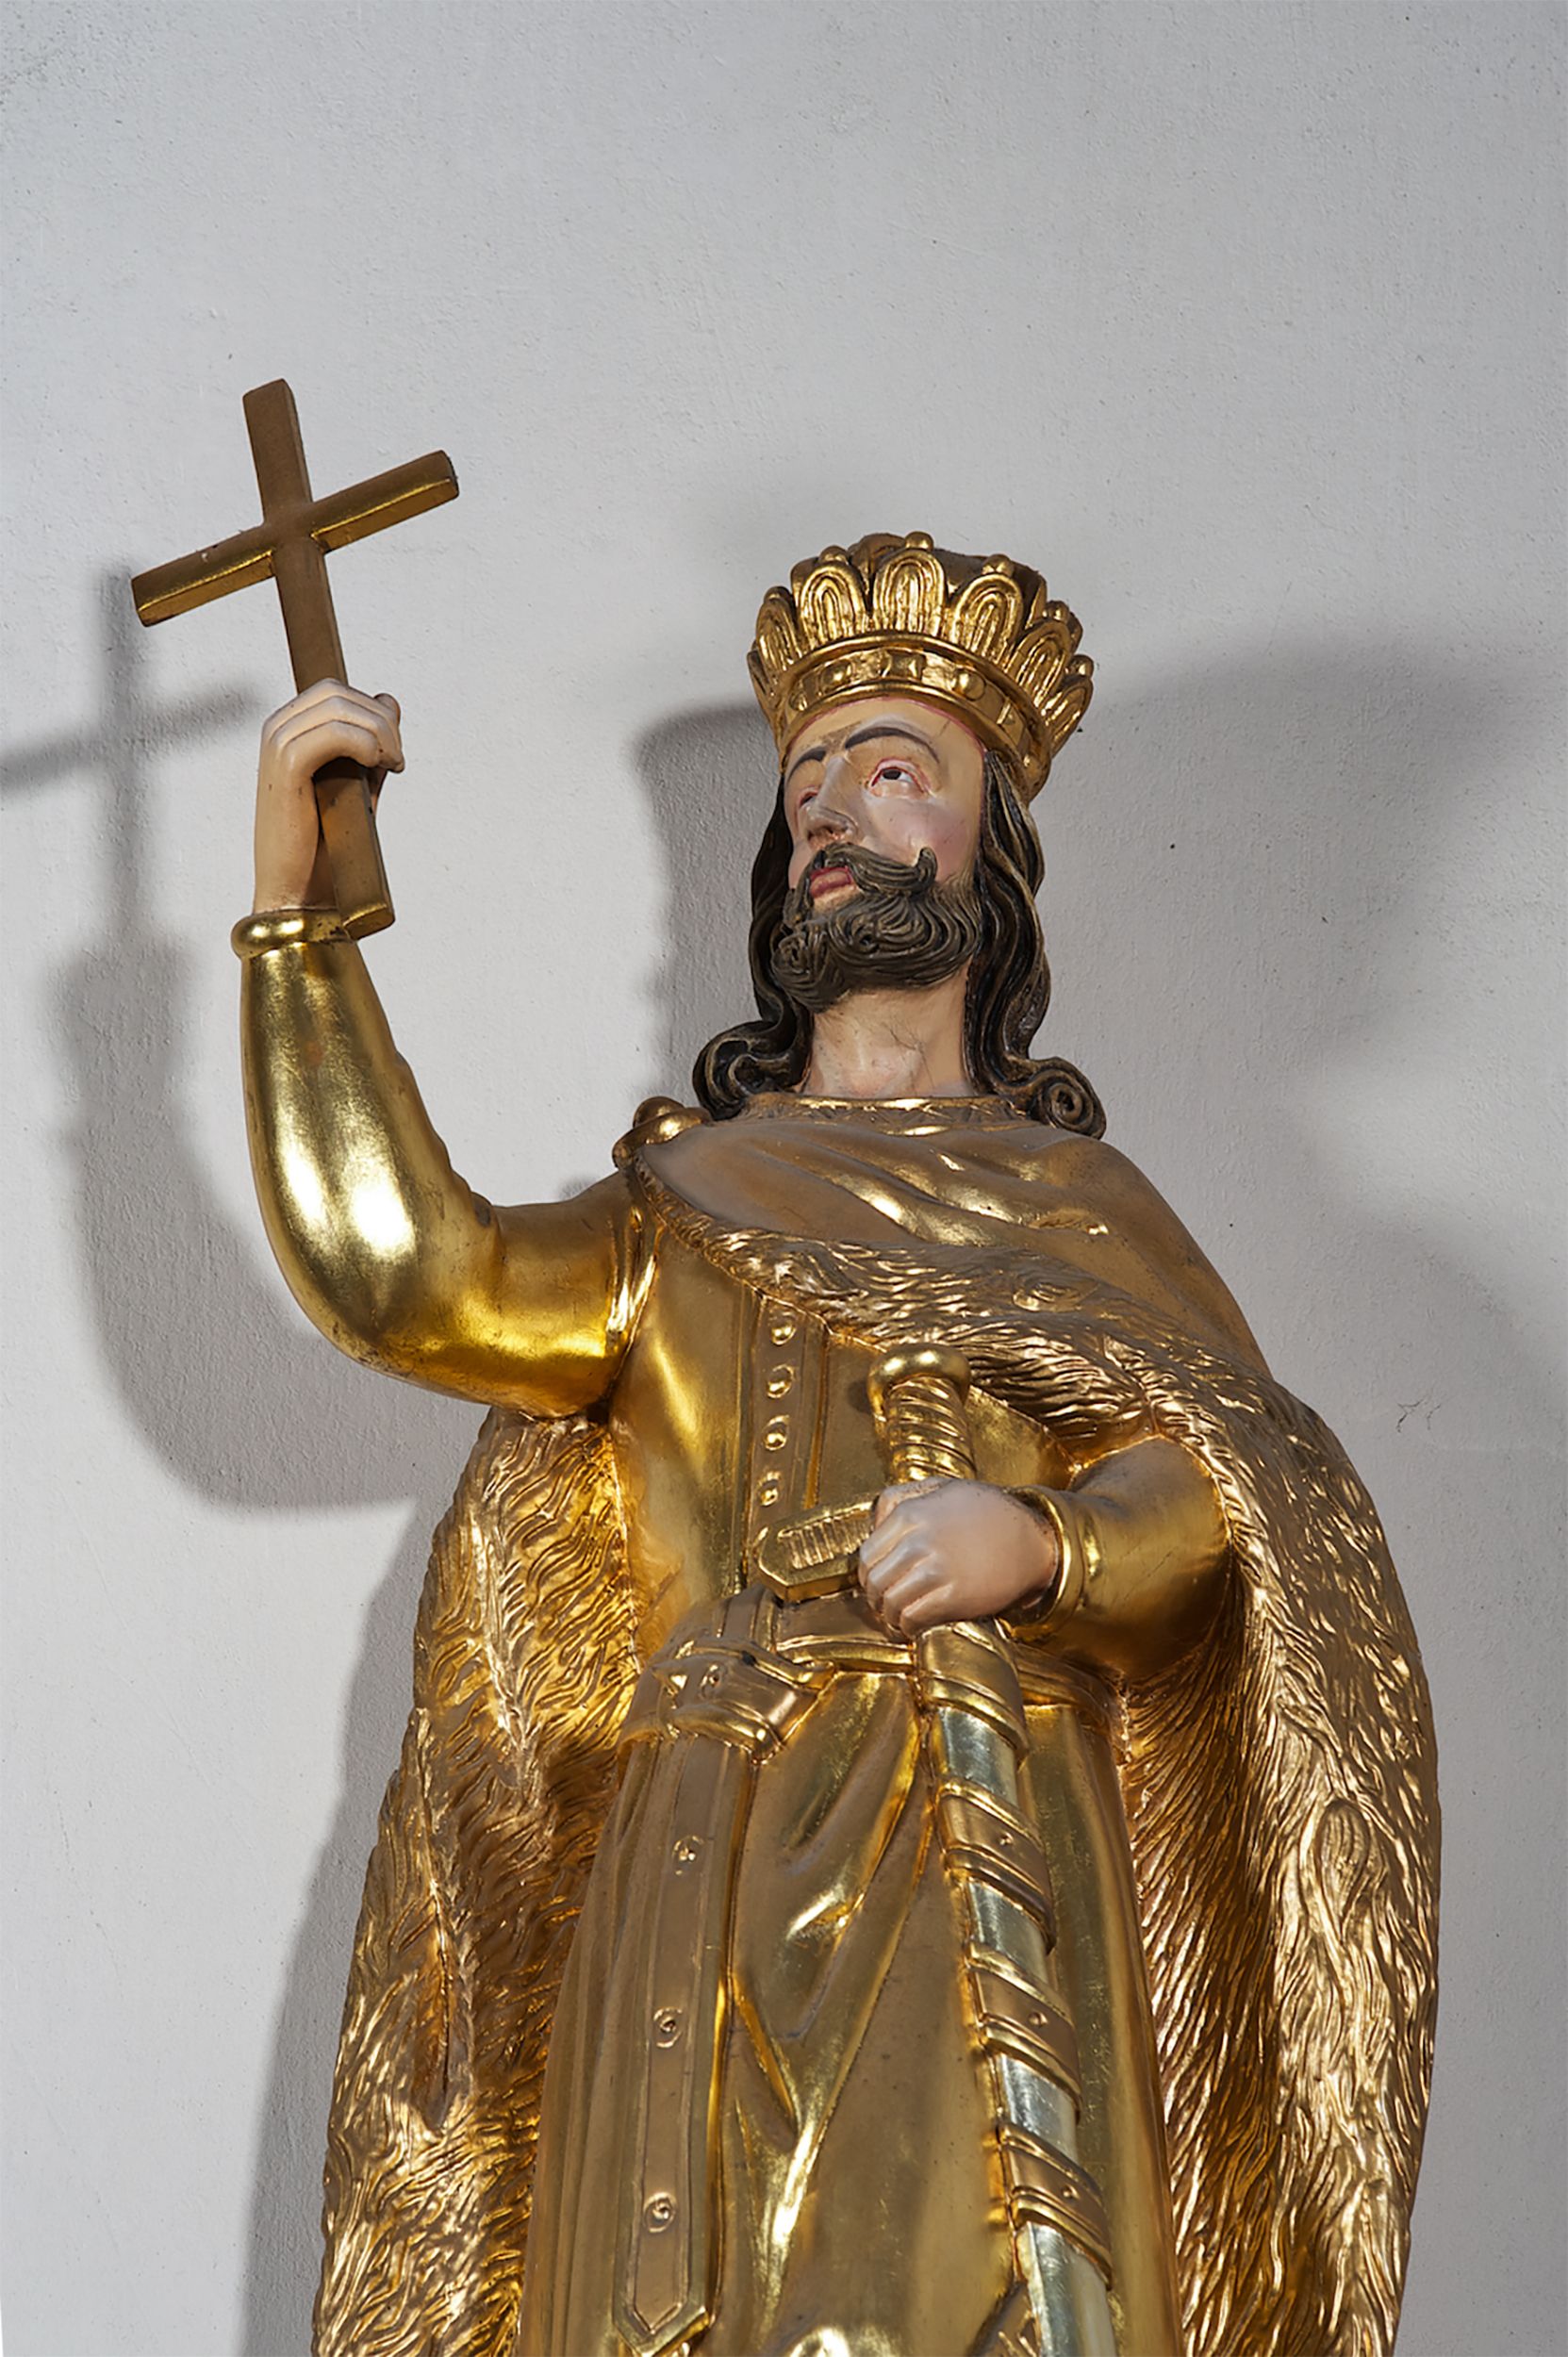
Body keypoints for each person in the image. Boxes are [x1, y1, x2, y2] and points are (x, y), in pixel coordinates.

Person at [236, 536, 1437, 2357]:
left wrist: (1043, 1544)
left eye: (891, 769)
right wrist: (300, 930)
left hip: (978, 1829)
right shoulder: (676, 1211)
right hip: (704, 1844)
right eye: (807, 779)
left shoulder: (1075, 1204)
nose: (828, 811)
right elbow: (412, 1277)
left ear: (985, 850)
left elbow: (1230, 1480)